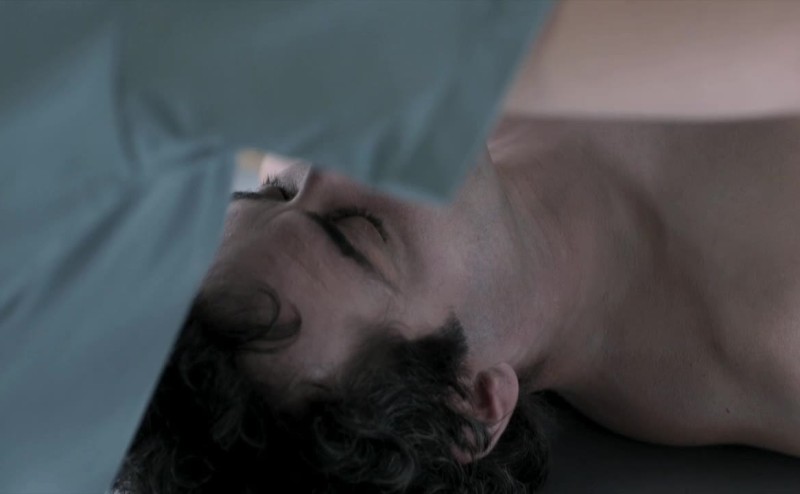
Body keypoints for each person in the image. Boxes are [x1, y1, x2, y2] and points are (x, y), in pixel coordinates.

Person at [3, 2, 799, 493]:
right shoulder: (772, 327)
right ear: (472, 405)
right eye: (355, 233)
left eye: (274, 191)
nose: (324, 158)